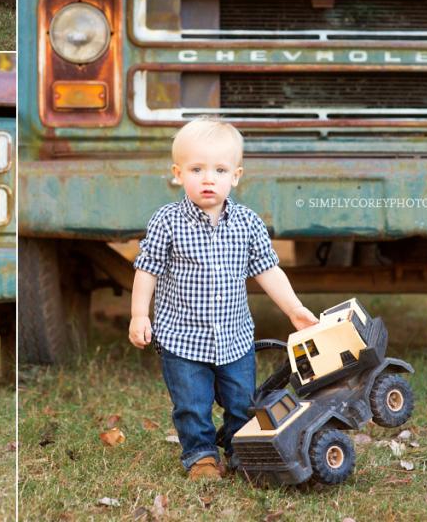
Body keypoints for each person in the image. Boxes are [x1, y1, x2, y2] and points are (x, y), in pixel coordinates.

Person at [128, 118, 318, 481]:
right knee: (191, 405)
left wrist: (294, 309)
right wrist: (140, 315)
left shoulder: (247, 223)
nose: (208, 178)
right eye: (196, 169)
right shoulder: (167, 222)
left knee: (242, 403)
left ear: (236, 175)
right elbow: (147, 269)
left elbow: (268, 270)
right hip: (182, 339)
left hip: (234, 338)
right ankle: (200, 455)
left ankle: (240, 451)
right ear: (177, 173)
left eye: (219, 169)